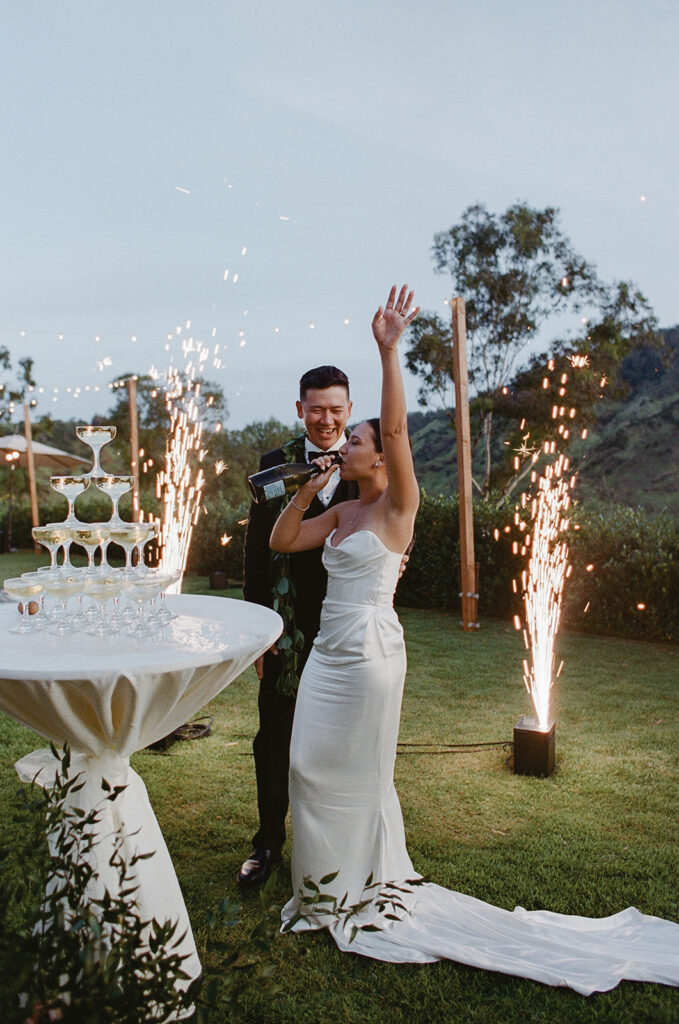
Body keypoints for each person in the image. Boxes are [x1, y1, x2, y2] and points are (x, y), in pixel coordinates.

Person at [269, 284, 679, 995]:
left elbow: (396, 434)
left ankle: (343, 889)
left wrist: (387, 350)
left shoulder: (397, 507)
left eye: (355, 439)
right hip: (326, 653)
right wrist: (307, 489)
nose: (349, 443)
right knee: (306, 765)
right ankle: (322, 886)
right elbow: (281, 540)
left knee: (351, 772)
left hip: (367, 652)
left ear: (375, 455)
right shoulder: (337, 514)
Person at [238, 365, 358, 886]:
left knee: (344, 738)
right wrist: (259, 634)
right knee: (275, 736)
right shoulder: (273, 466)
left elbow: (397, 520)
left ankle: (335, 844)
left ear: (349, 410)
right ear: (300, 409)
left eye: (336, 409)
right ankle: (267, 842)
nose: (326, 420)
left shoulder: (369, 461)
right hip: (285, 625)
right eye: (316, 408)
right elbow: (254, 555)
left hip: (346, 624)